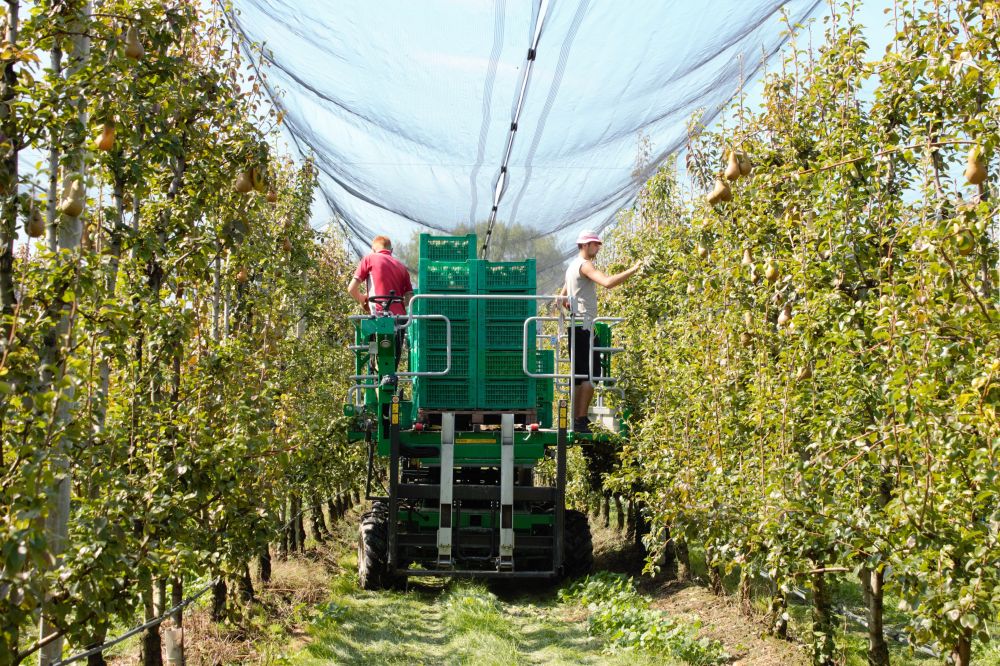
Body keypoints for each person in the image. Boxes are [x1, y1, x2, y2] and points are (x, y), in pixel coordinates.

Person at [561, 230, 642, 433]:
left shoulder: (572, 267)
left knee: (580, 376)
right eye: (595, 244)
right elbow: (607, 282)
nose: (598, 248)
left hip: (575, 326)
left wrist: (567, 302)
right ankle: (581, 420)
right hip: (586, 327)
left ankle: (577, 420)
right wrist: (634, 269)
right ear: (586, 245)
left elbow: (562, 296)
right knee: (591, 375)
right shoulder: (585, 265)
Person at [347, 236, 414, 370]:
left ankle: (375, 376)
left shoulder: (369, 259)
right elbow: (409, 299)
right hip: (400, 320)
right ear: (391, 250)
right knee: (392, 364)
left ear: (373, 249)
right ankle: (389, 385)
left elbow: (351, 289)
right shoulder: (401, 267)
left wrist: (362, 299)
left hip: (378, 318)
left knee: (375, 358)